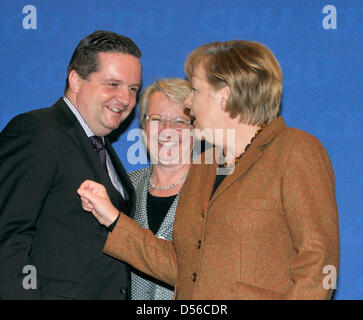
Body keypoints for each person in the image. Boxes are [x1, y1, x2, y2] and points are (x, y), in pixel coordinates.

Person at [78, 40, 340, 299]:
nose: (189, 103)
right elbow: (185, 267)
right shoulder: (206, 166)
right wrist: (114, 220)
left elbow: (318, 265)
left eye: (195, 90)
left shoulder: (294, 149)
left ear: (223, 96)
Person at [0, 30, 142, 299]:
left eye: (133, 89)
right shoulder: (38, 132)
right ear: (75, 80)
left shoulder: (99, 146)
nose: (125, 99)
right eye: (112, 84)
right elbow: (7, 235)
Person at [127, 78, 192, 300]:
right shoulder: (122, 188)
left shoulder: (213, 192)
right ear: (143, 127)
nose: (167, 131)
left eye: (180, 122)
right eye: (156, 119)